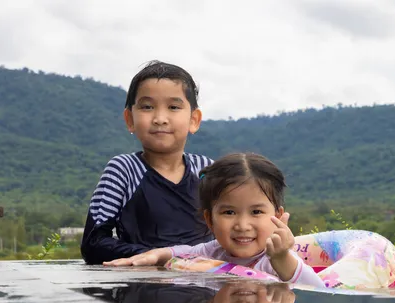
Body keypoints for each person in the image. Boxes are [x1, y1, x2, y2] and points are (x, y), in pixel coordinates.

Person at [104, 152, 325, 288]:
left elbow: (315, 287)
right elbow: (185, 251)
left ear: (277, 217)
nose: (242, 225)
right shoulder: (215, 251)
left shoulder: (274, 258)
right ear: (209, 220)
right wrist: (158, 254)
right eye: (229, 212)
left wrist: (282, 258)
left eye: (256, 212)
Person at [81, 60, 213, 265]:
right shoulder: (123, 170)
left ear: (194, 119)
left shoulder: (206, 170)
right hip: (142, 284)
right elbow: (94, 243)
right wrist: (164, 256)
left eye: (173, 107)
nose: (160, 118)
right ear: (130, 119)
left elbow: (230, 232)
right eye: (147, 107)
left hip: (206, 281)